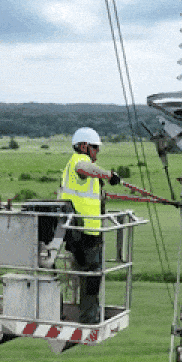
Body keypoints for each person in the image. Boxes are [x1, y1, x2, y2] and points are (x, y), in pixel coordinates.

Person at [58, 127, 120, 324]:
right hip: (84, 232)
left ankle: (91, 313)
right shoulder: (78, 161)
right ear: (84, 146)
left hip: (86, 231)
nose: (97, 152)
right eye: (95, 147)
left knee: (91, 277)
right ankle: (89, 318)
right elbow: (85, 169)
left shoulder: (81, 164)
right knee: (91, 277)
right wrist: (108, 175)